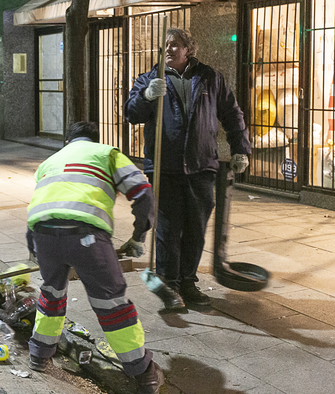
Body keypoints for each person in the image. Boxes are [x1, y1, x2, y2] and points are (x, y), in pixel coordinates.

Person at [25, 121, 163, 393]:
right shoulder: (107, 153)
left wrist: (35, 247)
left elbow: (41, 202)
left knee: (52, 292)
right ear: (95, 140)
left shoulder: (51, 161)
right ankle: (143, 372)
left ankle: (39, 354)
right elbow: (143, 193)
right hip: (86, 234)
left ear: (68, 141)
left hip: (42, 232)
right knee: (112, 304)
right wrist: (138, 236)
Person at [124, 28, 251, 310]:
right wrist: (145, 95)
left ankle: (188, 281)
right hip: (164, 167)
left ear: (188, 50)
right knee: (168, 229)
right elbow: (132, 114)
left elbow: (232, 113)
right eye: (166, 45)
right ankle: (169, 284)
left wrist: (241, 148)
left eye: (176, 44)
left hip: (202, 165)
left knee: (195, 228)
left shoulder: (209, 77)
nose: (169, 49)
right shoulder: (149, 78)